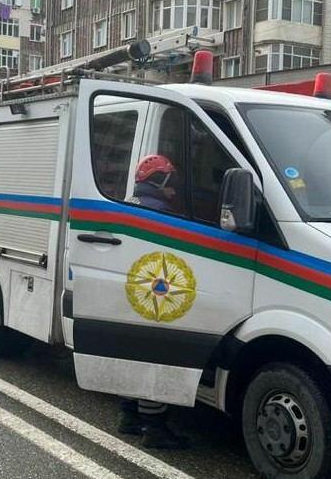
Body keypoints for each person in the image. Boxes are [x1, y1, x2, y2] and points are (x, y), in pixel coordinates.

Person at [118, 154, 187, 449]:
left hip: (129, 290)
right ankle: (155, 428)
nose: (175, 188)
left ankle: (129, 416)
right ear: (160, 181)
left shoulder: (129, 203)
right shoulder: (161, 213)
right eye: (171, 181)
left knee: (132, 355)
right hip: (153, 292)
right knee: (154, 360)